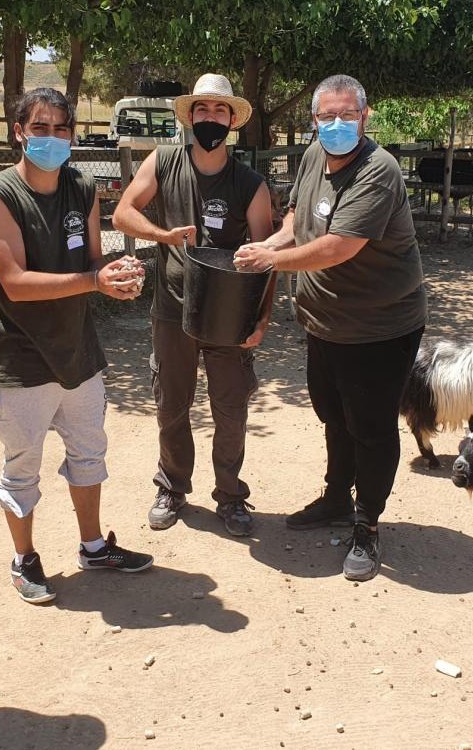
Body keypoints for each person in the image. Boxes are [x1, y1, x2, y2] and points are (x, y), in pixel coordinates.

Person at [234, 74, 427, 581]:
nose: (336, 124)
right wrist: (271, 245)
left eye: (347, 115)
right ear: (314, 120)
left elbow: (338, 247)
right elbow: (297, 218)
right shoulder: (314, 157)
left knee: (371, 427)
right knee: (334, 415)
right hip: (325, 322)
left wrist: (270, 262)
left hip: (380, 327)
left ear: (365, 117)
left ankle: (367, 525)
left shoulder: (378, 171)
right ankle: (337, 498)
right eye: (326, 116)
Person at [0, 87, 153, 606]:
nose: (51, 138)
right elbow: (14, 283)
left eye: (61, 129)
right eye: (40, 128)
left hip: (77, 352)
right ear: (19, 132)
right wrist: (94, 282)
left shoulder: (80, 186)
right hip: (21, 360)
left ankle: (93, 547)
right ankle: (24, 558)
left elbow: (93, 260)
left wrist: (115, 274)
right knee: (22, 466)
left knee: (89, 453)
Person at [113, 73, 273, 537]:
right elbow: (123, 212)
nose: (210, 118)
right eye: (202, 109)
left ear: (232, 121)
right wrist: (162, 235)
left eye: (220, 110)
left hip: (230, 315)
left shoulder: (250, 184)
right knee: (171, 404)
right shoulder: (164, 161)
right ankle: (172, 486)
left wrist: (261, 318)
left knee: (231, 410)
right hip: (172, 310)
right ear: (189, 116)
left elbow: (267, 256)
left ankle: (230, 495)